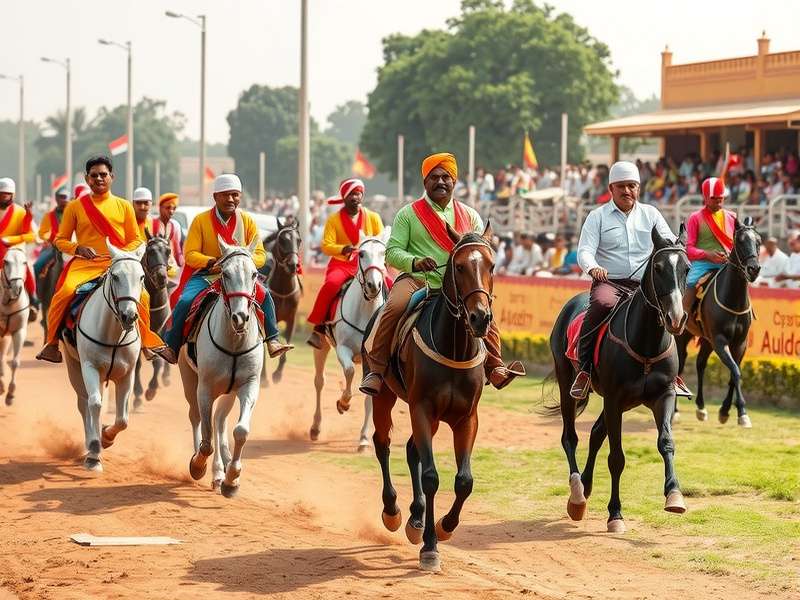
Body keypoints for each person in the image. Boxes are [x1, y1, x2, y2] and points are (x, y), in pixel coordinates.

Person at [359, 152, 524, 395]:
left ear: (454, 182)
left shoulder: (470, 216)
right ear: (425, 182)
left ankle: (495, 366)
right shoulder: (408, 214)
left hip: (460, 286)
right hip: (418, 281)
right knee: (394, 306)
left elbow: (482, 253)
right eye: (434, 177)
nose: (441, 182)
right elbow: (392, 253)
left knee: (483, 310)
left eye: (446, 177)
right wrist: (415, 262)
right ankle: (376, 369)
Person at [35, 156, 175, 364]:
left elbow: (136, 239)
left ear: (112, 177)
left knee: (143, 296)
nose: (99, 178)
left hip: (116, 264)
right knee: (63, 292)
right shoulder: (75, 207)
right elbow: (60, 240)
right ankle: (52, 343)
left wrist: (119, 254)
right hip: (85, 265)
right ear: (87, 178)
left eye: (103, 174)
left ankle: (147, 341)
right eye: (94, 175)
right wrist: (78, 248)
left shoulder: (124, 206)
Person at [570, 160, 690, 400]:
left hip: (644, 288)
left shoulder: (651, 214)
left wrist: (679, 245)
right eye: (622, 186)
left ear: (639, 188)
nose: (627, 191)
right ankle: (584, 371)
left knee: (669, 313)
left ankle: (671, 374)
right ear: (611, 188)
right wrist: (593, 268)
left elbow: (668, 244)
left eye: (632, 186)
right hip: (610, 284)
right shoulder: (597, 216)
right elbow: (584, 250)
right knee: (601, 305)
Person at [163, 173, 292, 358]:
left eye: (235, 195)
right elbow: (189, 254)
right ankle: (172, 347)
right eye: (225, 194)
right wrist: (210, 262)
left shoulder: (247, 220)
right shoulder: (200, 220)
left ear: (240, 196)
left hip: (240, 278)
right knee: (185, 301)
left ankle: (272, 340)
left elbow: (261, 255)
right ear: (215, 197)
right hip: (207, 275)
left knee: (266, 296)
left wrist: (243, 261)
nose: (230, 199)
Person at [306, 178, 388, 349]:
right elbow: (326, 245)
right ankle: (319, 327)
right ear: (344, 197)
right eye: (351, 194)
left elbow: (381, 241)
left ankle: (395, 324)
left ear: (362, 196)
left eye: (358, 194)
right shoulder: (333, 220)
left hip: (370, 264)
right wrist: (343, 249)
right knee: (331, 284)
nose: (355, 197)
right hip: (342, 264)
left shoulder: (373, 217)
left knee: (391, 284)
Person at [683, 177, 736, 314]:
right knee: (691, 284)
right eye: (714, 198)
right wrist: (708, 255)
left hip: (728, 263)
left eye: (721, 198)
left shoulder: (732, 217)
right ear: (705, 197)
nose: (719, 201)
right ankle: (682, 321)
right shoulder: (695, 218)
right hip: (703, 264)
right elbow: (689, 250)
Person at [0, 177, 39, 322]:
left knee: (27, 267)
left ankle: (33, 300)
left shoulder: (20, 212)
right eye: (1, 194)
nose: (4, 197)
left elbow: (30, 236)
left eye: (7, 194)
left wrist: (28, 217)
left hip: (13, 252)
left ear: (12, 195)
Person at [34, 185, 80, 291]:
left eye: (65, 197)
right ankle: (36, 296)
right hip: (54, 248)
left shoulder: (75, 213)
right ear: (56, 198)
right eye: (61, 197)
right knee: (37, 265)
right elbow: (42, 233)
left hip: (73, 247)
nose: (63, 199)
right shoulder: (49, 216)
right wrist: (51, 239)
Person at [151, 192, 184, 278]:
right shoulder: (151, 224)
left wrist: (183, 266)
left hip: (173, 269)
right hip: (155, 270)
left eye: (174, 208)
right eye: (168, 208)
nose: (171, 211)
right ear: (160, 208)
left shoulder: (175, 225)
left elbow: (178, 250)